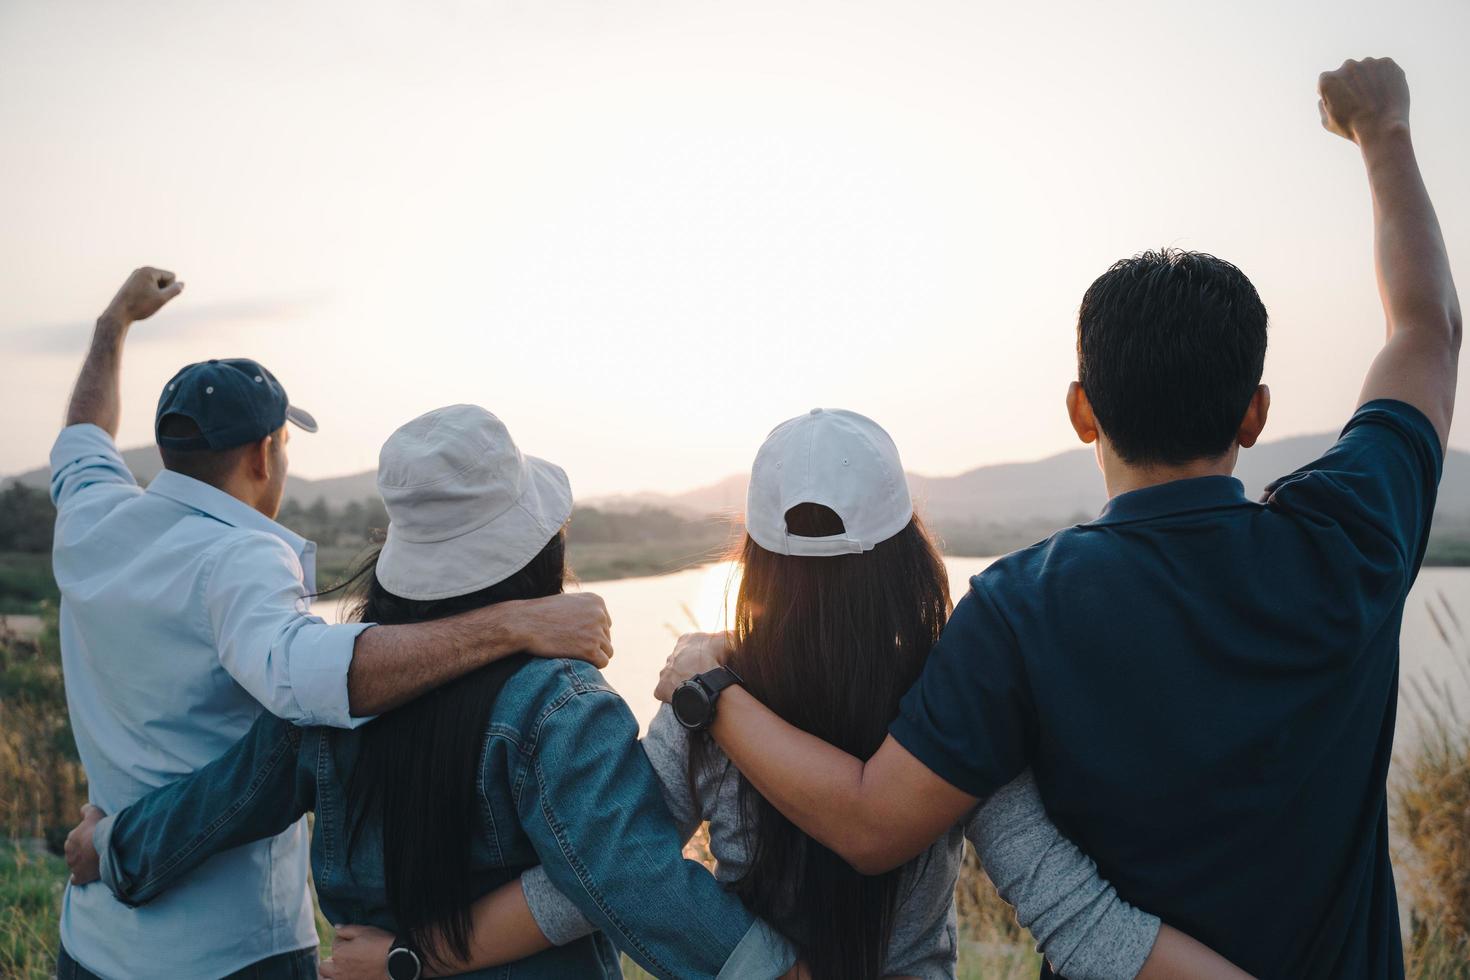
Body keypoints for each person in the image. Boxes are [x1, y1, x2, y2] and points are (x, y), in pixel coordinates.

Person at [652, 58, 1459, 979]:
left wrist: (710, 695)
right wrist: (1383, 131)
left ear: (1081, 411)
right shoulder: (1352, 528)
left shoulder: (1018, 608)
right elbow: (1427, 329)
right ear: (1256, 414)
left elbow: (872, 824)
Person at [281, 410, 1250, 980]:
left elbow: (594, 880)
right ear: (907, 551)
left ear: (757, 562)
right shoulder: (952, 699)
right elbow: (1075, 913)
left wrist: (412, 956)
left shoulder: (711, 695)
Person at [65, 404, 796, 980]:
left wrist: (114, 846)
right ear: (540, 549)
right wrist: (782, 972)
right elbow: (630, 876)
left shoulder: (338, 700)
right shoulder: (559, 701)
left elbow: (224, 802)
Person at [51, 281, 613, 980]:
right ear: (264, 456)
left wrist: (113, 323)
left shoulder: (89, 519)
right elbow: (310, 678)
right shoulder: (240, 557)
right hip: (228, 952)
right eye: (286, 446)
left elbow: (83, 432)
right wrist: (518, 622)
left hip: (93, 937)